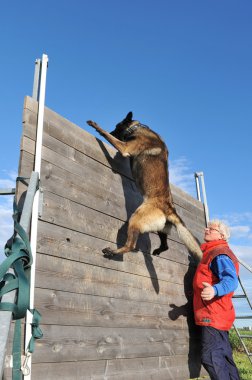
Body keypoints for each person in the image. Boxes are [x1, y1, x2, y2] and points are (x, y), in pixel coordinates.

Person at [193, 219, 240, 380]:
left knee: (211, 357)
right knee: (224, 359)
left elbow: (231, 281)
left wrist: (214, 289)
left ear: (221, 235)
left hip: (213, 314)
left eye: (211, 229)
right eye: (207, 227)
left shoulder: (219, 253)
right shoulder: (214, 252)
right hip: (219, 313)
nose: (206, 229)